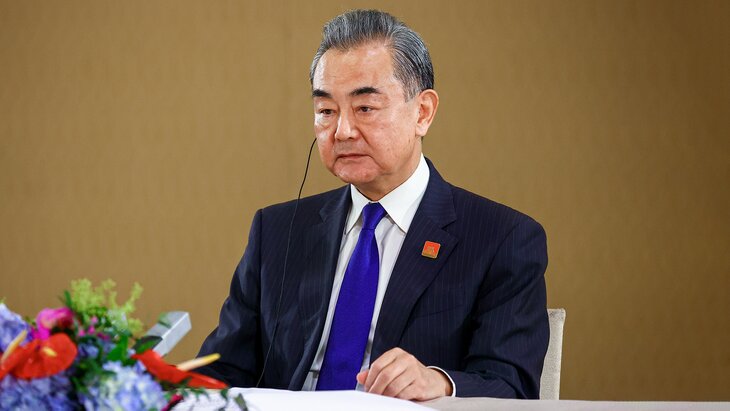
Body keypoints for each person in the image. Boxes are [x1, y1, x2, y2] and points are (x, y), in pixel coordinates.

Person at [197, 9, 548, 400]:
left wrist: (439, 382)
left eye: (364, 108)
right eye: (326, 111)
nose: (342, 131)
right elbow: (220, 371)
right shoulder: (277, 231)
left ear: (423, 112)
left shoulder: (502, 238)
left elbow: (512, 386)